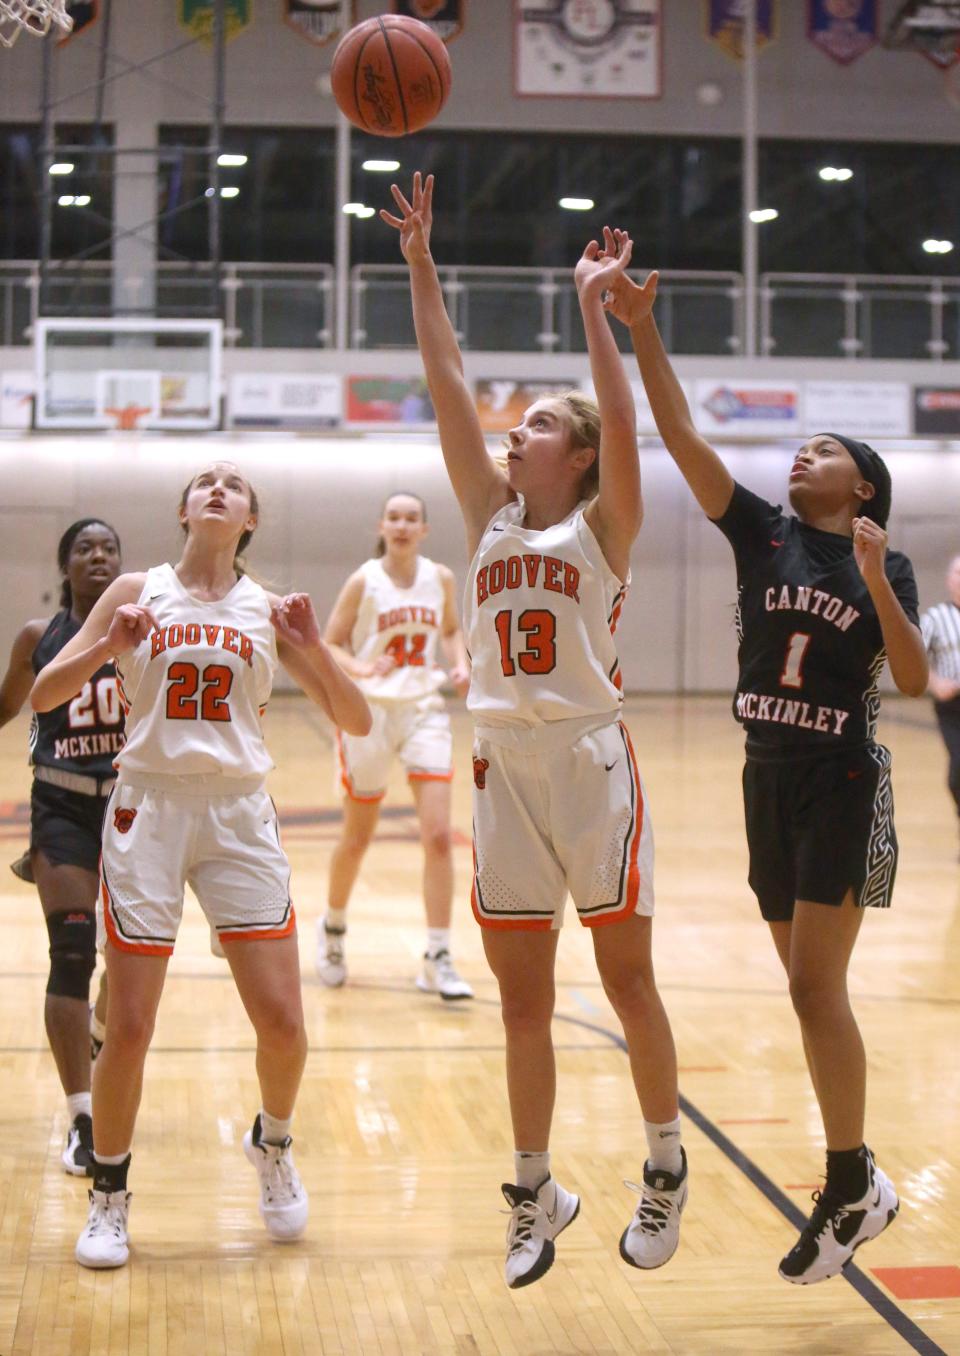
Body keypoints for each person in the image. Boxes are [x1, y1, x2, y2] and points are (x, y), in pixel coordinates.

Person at [383, 175, 687, 1289]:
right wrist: (420, 264)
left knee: (627, 982)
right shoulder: (485, 517)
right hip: (502, 768)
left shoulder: (609, 524)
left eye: (543, 425)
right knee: (520, 999)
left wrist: (598, 312)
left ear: (585, 456)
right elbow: (450, 382)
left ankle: (664, 1163)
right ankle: (535, 1190)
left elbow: (623, 414)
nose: (518, 433)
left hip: (593, 764)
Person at [601, 245, 927, 1285]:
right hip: (764, 774)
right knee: (802, 987)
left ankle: (850, 1181)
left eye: (822, 450)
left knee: (814, 988)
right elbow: (680, 434)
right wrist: (639, 326)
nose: (800, 457)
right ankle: (855, 1180)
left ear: (862, 483)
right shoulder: (761, 534)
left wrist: (877, 579)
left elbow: (914, 681)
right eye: (800, 447)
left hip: (838, 779)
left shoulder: (886, 562)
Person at [31, 462, 371, 1270]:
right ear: (184, 509)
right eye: (204, 482)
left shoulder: (267, 608)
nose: (218, 489)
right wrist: (107, 648)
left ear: (250, 517)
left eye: (235, 484)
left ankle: (273, 1142)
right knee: (136, 1025)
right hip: (148, 806)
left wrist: (317, 650)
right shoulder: (137, 591)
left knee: (284, 1025)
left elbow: (355, 717)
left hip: (238, 813)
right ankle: (109, 1194)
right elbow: (46, 693)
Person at [317, 491, 473, 1000]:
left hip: (423, 708)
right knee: (358, 836)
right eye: (394, 517)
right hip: (370, 714)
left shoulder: (441, 578)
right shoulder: (365, 580)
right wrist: (362, 668)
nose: (402, 525)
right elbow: (331, 642)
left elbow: (450, 630)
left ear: (424, 529)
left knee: (436, 837)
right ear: (381, 525)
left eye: (412, 518)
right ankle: (334, 928)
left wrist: (461, 662)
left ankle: (437, 954)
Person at [0, 519, 121, 1176]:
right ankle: (82, 1115)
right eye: (85, 547)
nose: (97, 555)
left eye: (108, 547)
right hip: (61, 807)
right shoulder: (37, 638)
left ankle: (99, 1030)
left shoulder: (141, 627)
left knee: (129, 964)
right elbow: (4, 707)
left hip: (132, 808)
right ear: (65, 565)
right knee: (72, 952)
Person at [920, 555, 960, 848]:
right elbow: (916, 655)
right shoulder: (935, 617)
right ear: (948, 580)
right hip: (952, 705)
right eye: (957, 573)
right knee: (959, 765)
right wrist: (935, 682)